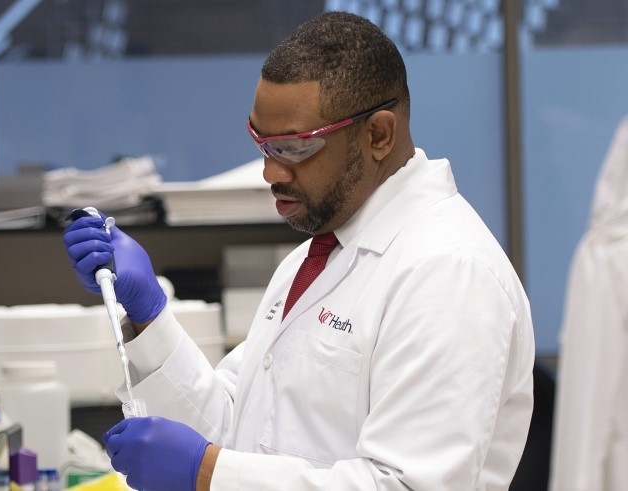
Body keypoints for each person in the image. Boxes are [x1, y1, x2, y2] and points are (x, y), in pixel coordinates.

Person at [63, 12, 535, 491]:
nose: (271, 173)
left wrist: (206, 473)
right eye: (262, 144)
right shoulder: (317, 255)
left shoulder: (448, 272)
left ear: (378, 135)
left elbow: (408, 486)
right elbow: (238, 431)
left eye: (293, 148)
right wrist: (148, 317)